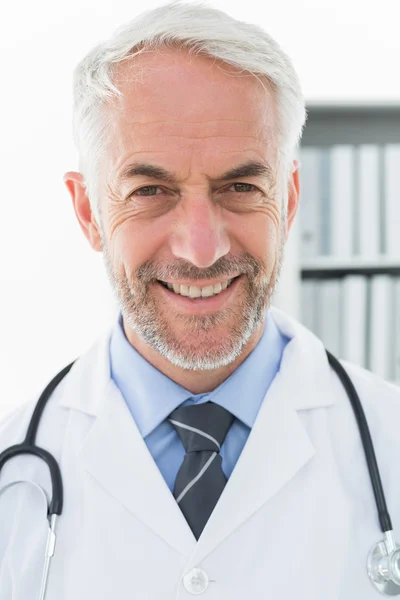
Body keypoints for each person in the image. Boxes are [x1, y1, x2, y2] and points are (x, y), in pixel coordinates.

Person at [1, 2, 400, 598]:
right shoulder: (14, 481)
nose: (202, 248)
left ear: (288, 200)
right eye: (151, 190)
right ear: (89, 212)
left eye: (240, 186)